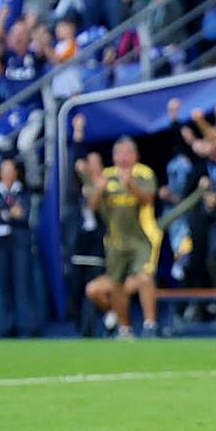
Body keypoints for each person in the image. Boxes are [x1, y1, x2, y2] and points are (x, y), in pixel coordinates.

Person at [82, 137, 161, 340]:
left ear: (136, 155)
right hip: (115, 241)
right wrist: (99, 188)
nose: (124, 157)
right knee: (116, 284)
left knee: (145, 277)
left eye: (128, 153)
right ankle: (124, 329)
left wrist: (131, 185)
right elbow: (91, 207)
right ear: (114, 156)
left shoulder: (143, 173)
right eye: (119, 153)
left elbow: (148, 199)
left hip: (141, 238)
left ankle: (150, 325)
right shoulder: (107, 176)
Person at [0, 157, 35, 337]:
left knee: (23, 284)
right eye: (3, 170)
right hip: (0, 244)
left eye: (9, 170)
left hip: (20, 243)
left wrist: (1, 214)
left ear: (16, 173)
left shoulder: (24, 192)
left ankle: (27, 326)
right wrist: (9, 214)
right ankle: (7, 326)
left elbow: (23, 215)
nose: (6, 174)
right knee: (3, 285)